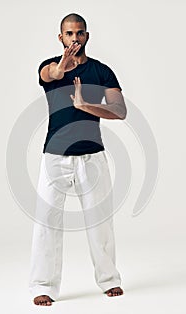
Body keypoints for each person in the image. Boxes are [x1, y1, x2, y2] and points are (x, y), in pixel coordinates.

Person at [29, 13, 127, 306]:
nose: (75, 39)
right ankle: (43, 285)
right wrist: (61, 68)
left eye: (79, 33)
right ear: (61, 38)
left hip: (92, 156)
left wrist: (86, 105)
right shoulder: (49, 67)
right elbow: (50, 75)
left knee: (100, 222)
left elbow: (120, 110)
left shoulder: (102, 72)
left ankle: (109, 279)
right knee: (46, 222)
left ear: (87, 36)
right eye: (69, 34)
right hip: (55, 156)